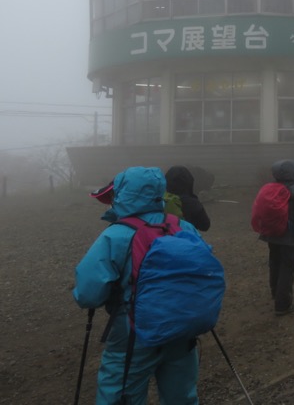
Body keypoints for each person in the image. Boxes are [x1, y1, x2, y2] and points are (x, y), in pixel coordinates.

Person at [73, 166, 203, 404]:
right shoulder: (183, 227)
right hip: (183, 329)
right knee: (181, 397)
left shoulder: (116, 236)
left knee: (121, 395)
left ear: (122, 194)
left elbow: (88, 295)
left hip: (133, 333)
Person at [257, 160, 294, 316]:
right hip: (288, 234)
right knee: (287, 266)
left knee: (274, 263)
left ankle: (276, 293)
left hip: (271, 233)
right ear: (292, 172)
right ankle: (282, 305)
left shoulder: (271, 187)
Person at [165, 165, 211, 232]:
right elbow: (205, 226)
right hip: (188, 239)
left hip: (164, 240)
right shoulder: (193, 203)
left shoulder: (160, 201)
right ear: (189, 181)